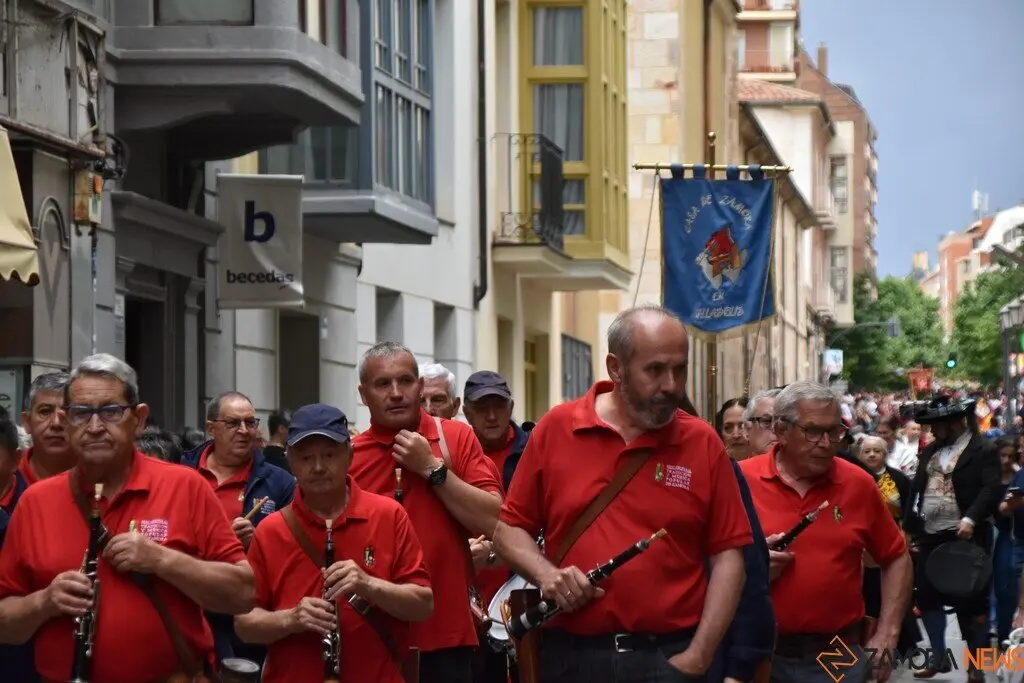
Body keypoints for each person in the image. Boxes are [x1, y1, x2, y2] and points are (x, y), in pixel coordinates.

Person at [493, 305, 752, 683]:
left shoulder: (702, 442)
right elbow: (508, 532)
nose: (672, 386)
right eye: (655, 370)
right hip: (573, 660)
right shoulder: (557, 429)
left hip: (670, 658)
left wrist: (699, 655)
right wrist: (547, 575)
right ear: (616, 368)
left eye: (680, 369)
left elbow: (730, 557)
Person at [0, 353, 254, 682]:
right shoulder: (36, 502)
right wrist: (44, 602)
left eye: (111, 412)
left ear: (139, 419)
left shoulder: (185, 486)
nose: (94, 427)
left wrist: (162, 560)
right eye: (81, 413)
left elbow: (243, 594)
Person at [234, 403, 433, 682]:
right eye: (305, 458)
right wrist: (291, 619)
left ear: (350, 455)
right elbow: (244, 624)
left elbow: (423, 604)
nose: (318, 467)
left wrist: (368, 584)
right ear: (290, 460)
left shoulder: (388, 515)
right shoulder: (271, 530)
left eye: (329, 455)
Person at [739, 382, 912, 683]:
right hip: (760, 649)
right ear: (781, 430)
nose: (826, 443)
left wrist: (888, 633)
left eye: (834, 432)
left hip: (838, 650)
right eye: (813, 430)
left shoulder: (858, 483)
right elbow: (703, 561)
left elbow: (896, 557)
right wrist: (752, 565)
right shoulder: (740, 480)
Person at [351, 342, 503, 683]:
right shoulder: (349, 457)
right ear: (363, 394)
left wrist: (432, 469)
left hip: (446, 634)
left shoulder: (456, 438)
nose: (395, 393)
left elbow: (496, 521)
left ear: (419, 388)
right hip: (371, 636)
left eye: (405, 381)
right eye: (382, 384)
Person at [179, 391, 296, 665]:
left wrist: (259, 540)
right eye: (233, 423)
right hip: (190, 607)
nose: (244, 431)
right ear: (211, 428)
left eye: (250, 422)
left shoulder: (280, 482)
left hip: (247, 613)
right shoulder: (181, 474)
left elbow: (293, 551)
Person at [905, 396, 1001, 682]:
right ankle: (938, 656)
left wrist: (971, 518)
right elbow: (918, 490)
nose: (932, 430)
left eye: (937, 424)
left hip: (966, 536)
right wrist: (912, 525)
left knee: (970, 602)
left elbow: (991, 488)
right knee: (927, 595)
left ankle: (976, 665)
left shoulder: (984, 449)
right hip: (930, 534)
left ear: (955, 422)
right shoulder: (930, 451)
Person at [460, 370, 530, 683]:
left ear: (511, 406)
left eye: (498, 406)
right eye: (482, 408)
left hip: (521, 594)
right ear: (466, 412)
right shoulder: (452, 455)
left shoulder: (533, 452)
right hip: (467, 603)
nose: (491, 416)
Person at [854, 435, 918, 654]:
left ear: (885, 454)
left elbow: (910, 509)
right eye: (867, 451)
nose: (872, 455)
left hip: (892, 539)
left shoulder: (898, 479)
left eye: (877, 451)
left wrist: (907, 535)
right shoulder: (854, 478)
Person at [18, 371, 73, 485]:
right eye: (45, 411)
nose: (56, 423)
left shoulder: (101, 476)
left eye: (66, 412)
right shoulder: (7, 475)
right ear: (27, 422)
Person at [743, 389, 781, 456]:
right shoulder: (736, 466)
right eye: (767, 421)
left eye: (783, 422)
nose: (776, 429)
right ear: (746, 430)